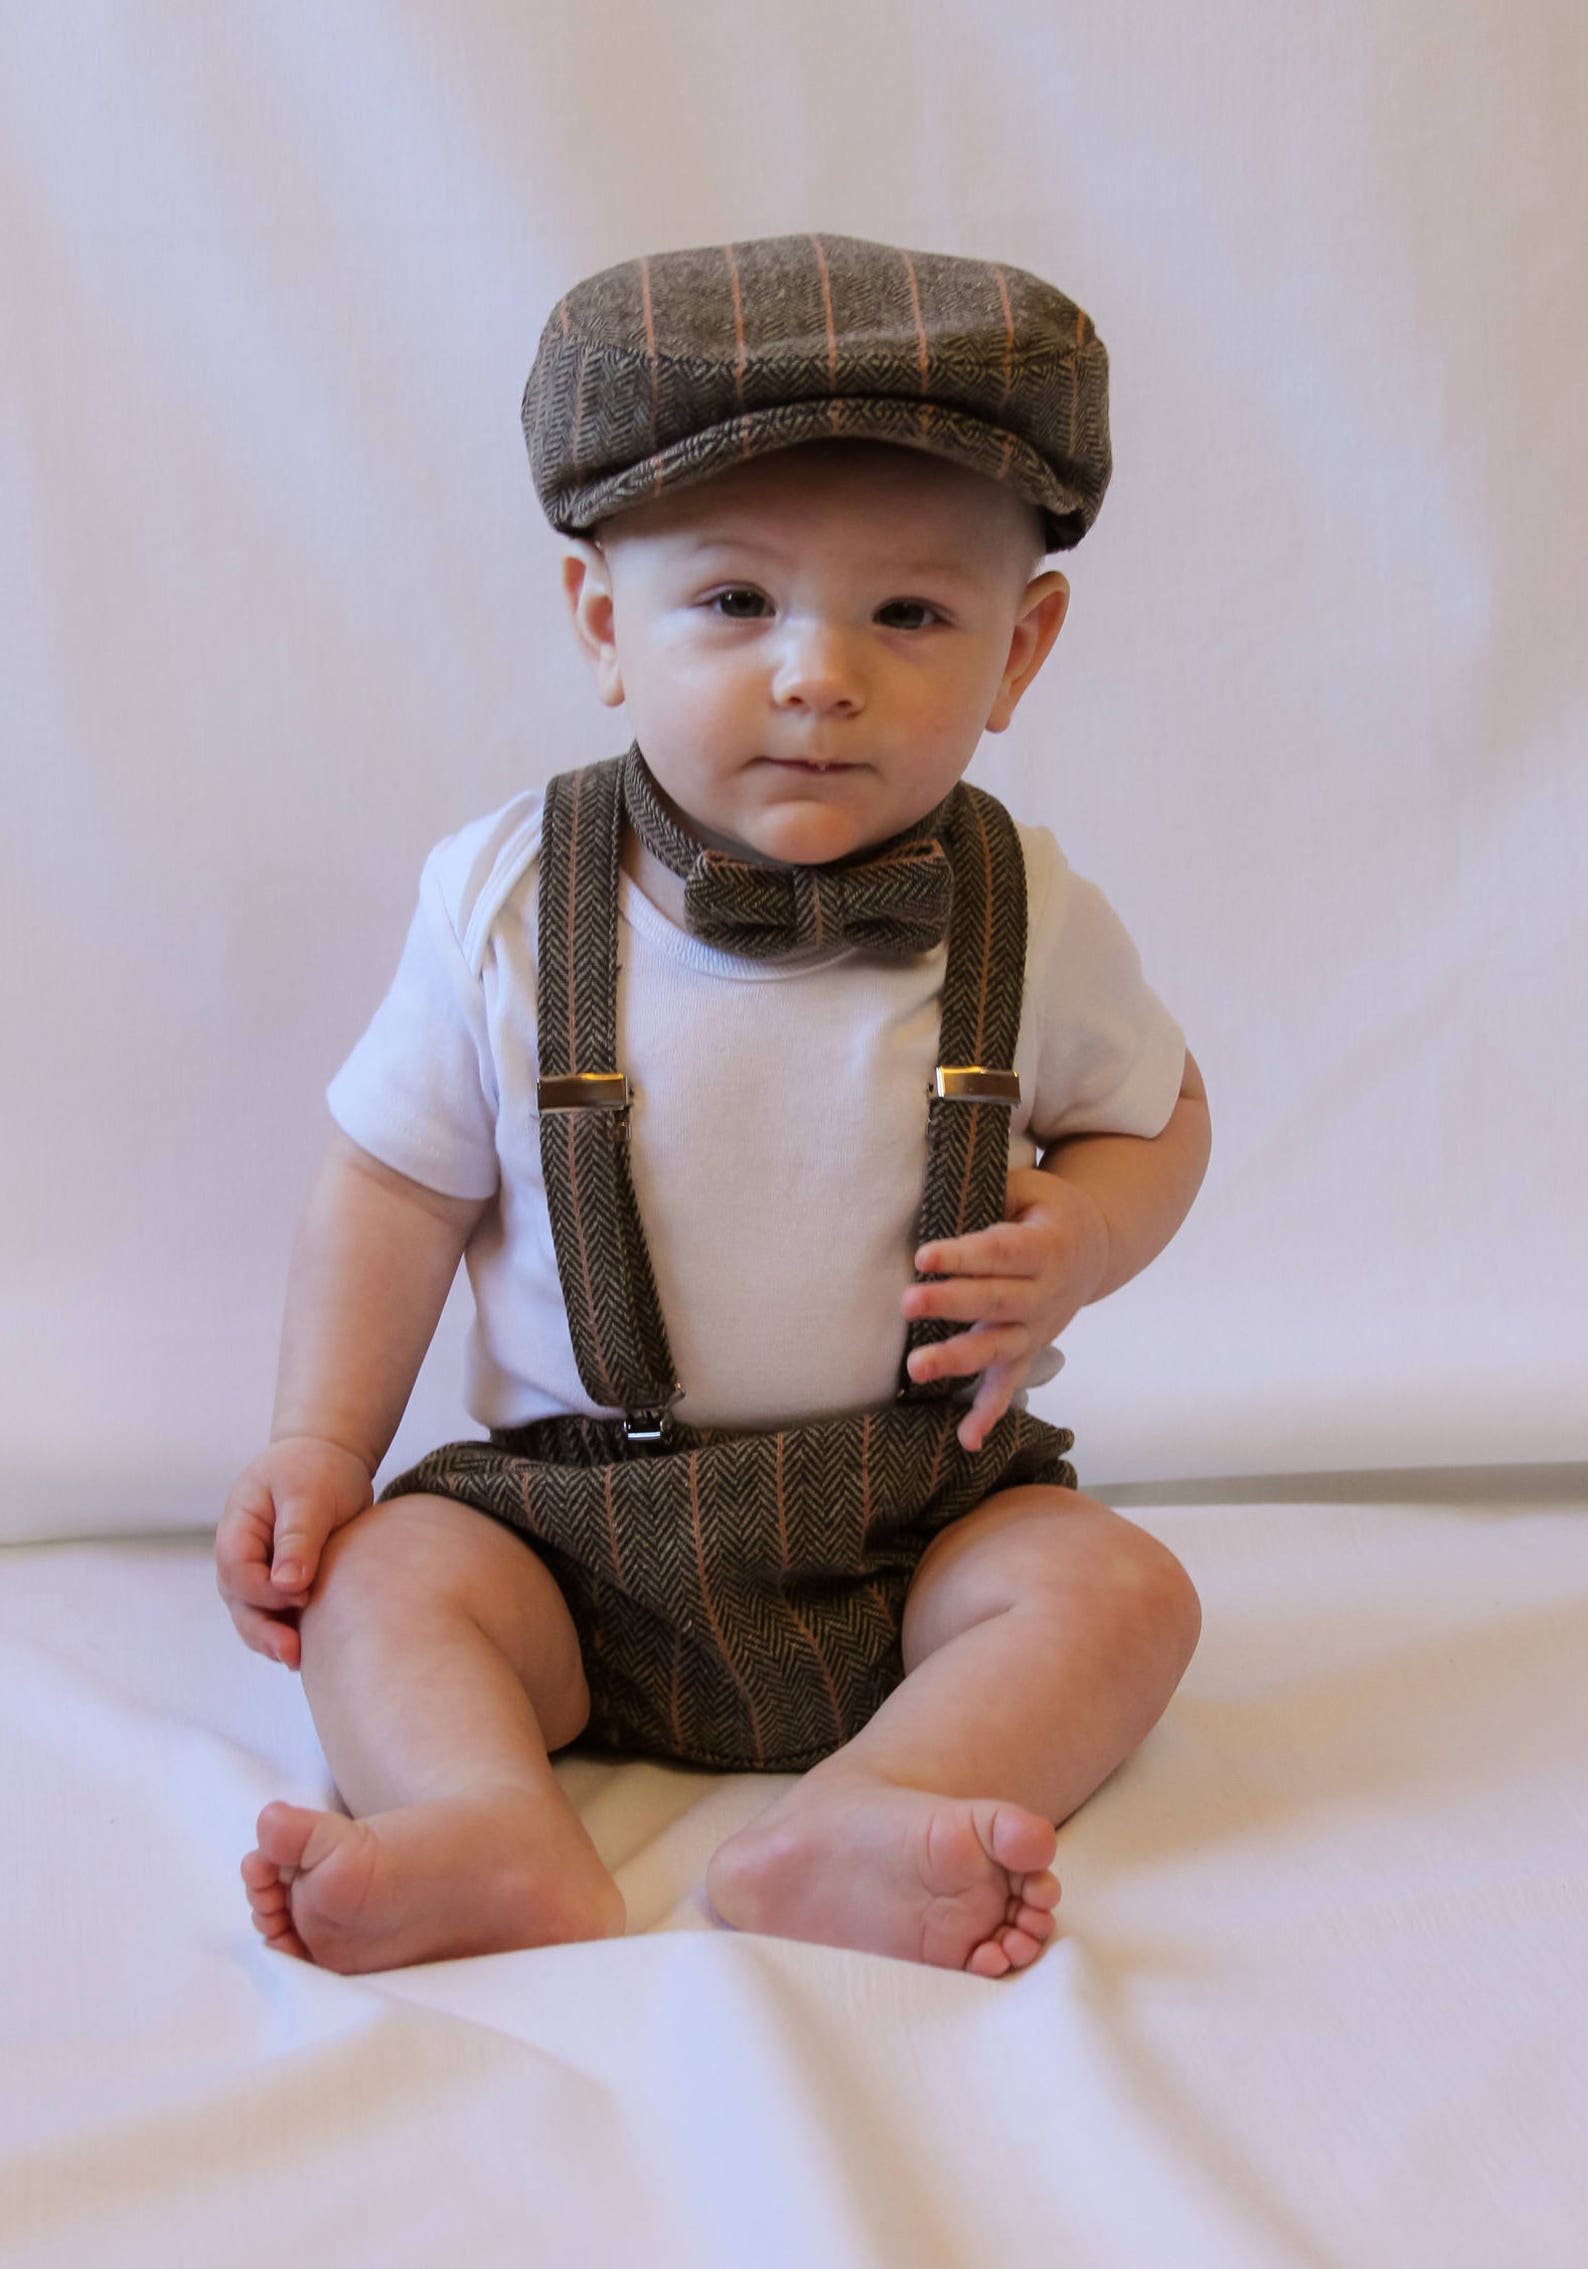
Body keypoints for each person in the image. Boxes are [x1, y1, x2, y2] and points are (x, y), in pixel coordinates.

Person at [217, 232, 1211, 1981]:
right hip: (568, 1533)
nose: (818, 672)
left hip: (919, 1529)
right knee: (393, 1586)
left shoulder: (1031, 912)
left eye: (910, 613)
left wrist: (1094, 1226)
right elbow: (390, 1190)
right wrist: (320, 1449)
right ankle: (484, 1819)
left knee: (1119, 1595)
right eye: (737, 602)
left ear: (1023, 646)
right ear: (606, 622)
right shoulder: (507, 899)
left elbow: (1164, 1110)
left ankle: (868, 1809)